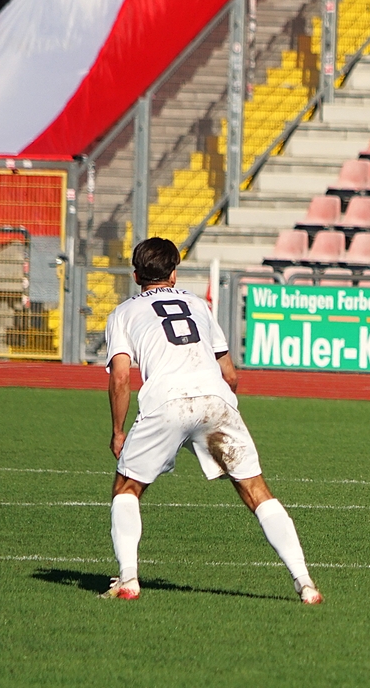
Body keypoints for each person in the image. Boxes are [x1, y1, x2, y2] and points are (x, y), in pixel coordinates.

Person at [102, 238, 323, 603]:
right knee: (256, 491)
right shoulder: (197, 304)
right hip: (215, 400)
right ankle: (305, 582)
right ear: (174, 273)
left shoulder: (122, 313)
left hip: (166, 402)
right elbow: (230, 374)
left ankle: (128, 579)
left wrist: (117, 431)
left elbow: (121, 377)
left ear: (136, 275)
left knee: (127, 488)